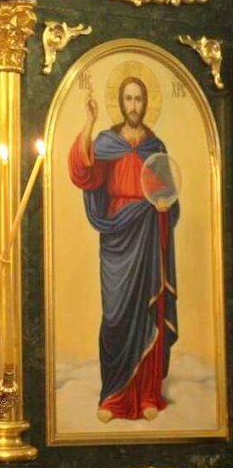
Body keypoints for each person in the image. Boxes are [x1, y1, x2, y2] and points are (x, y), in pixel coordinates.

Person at [68, 76, 179, 423]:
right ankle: (113, 397)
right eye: (128, 99)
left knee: (149, 310)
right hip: (117, 235)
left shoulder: (156, 147)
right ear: (121, 102)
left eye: (139, 99)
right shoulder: (107, 142)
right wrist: (89, 122)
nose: (134, 106)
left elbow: (169, 195)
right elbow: (84, 174)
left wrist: (164, 205)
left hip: (148, 231)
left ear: (146, 104)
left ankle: (147, 394)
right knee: (115, 315)